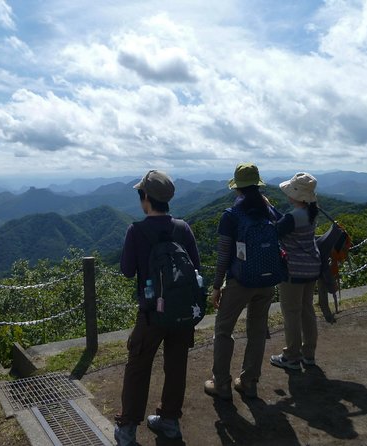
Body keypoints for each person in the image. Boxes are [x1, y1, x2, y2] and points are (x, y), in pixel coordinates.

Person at [115, 170, 201, 445]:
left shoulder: (136, 231)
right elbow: (195, 267)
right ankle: (170, 421)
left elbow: (127, 271)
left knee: (138, 367)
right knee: (176, 366)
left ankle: (128, 428)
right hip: (181, 312)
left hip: (151, 313)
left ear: (146, 199)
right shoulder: (183, 228)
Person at [204, 162, 278, 400]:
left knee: (223, 330)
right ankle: (249, 382)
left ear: (237, 188)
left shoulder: (231, 216)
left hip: (240, 282)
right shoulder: (269, 212)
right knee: (257, 330)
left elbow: (224, 255)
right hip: (267, 281)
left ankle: (222, 384)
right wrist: (271, 205)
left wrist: (217, 286)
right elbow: (286, 226)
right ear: (257, 186)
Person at [270, 172, 322, 370]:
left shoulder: (294, 216)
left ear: (296, 195)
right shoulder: (310, 212)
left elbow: (276, 230)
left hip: (294, 270)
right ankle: (309, 354)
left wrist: (268, 209)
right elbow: (284, 222)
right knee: (307, 311)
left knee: (291, 312)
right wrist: (272, 209)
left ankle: (291, 356)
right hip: (312, 267)